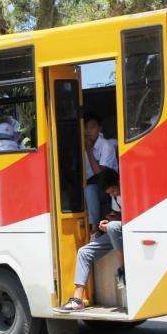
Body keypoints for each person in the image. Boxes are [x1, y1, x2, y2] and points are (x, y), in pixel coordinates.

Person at [56, 168, 123, 312]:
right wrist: (109, 221)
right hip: (116, 232)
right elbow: (119, 217)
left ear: (118, 182)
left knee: (112, 227)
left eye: (113, 191)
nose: (113, 195)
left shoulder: (130, 190)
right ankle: (77, 299)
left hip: (128, 231)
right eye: (109, 193)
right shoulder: (114, 197)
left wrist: (112, 224)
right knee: (83, 252)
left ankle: (122, 270)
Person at [83, 113, 118, 235]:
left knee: (89, 190)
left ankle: (94, 231)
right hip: (90, 181)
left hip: (106, 185)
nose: (89, 131)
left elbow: (98, 172)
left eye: (92, 127)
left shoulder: (106, 146)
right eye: (86, 128)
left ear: (100, 128)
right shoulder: (82, 144)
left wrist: (88, 150)